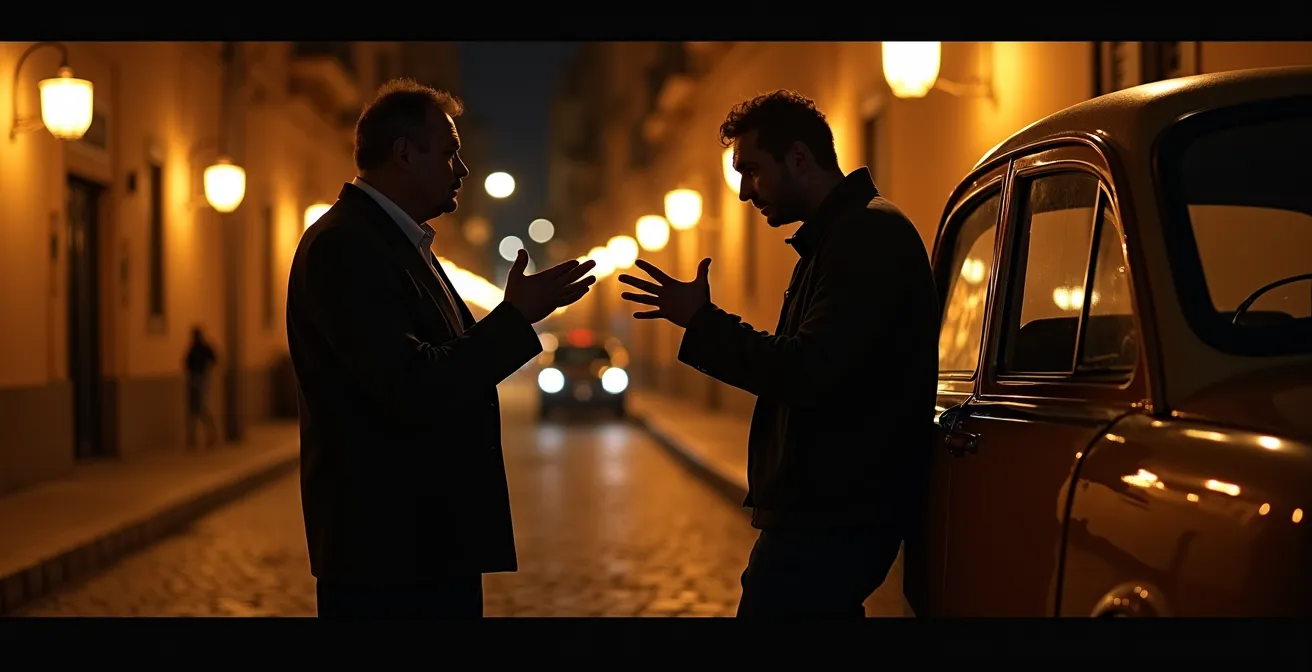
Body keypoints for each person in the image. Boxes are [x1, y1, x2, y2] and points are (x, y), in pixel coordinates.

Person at [618, 90, 939, 619]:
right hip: (824, 508)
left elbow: (808, 369)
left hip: (836, 512)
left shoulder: (865, 235)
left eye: (751, 171)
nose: (744, 192)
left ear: (798, 157)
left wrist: (703, 323)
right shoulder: (837, 235)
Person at [286, 78, 596, 619]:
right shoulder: (346, 247)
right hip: (388, 556)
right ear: (404, 154)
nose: (463, 169)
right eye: (451, 151)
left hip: (425, 545)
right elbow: (411, 384)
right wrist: (514, 319)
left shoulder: (402, 244)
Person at [183, 326, 219, 449]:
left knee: (198, 409)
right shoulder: (196, 348)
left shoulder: (200, 348)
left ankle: (207, 436)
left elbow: (214, 359)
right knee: (196, 409)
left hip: (199, 378)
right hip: (196, 379)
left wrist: (205, 372)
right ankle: (195, 438)